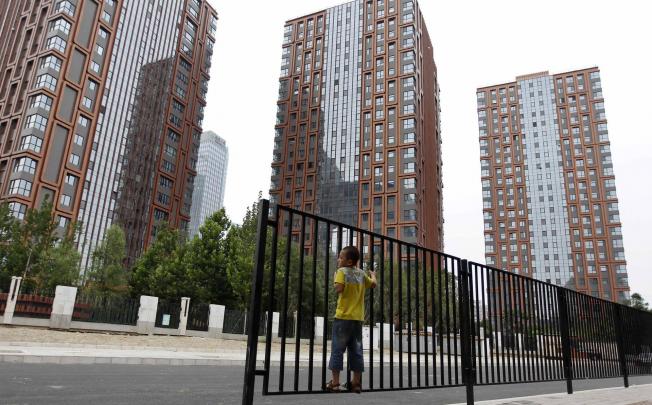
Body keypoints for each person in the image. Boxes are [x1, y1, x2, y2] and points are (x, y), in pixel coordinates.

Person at [326, 246, 376, 394]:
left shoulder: (341, 272)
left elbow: (339, 289)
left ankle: (335, 383)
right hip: (357, 320)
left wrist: (335, 278)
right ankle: (355, 383)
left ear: (349, 261)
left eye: (341, 257)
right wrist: (373, 275)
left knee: (337, 350)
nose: (338, 259)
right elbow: (373, 284)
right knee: (356, 350)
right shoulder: (361, 274)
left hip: (342, 318)